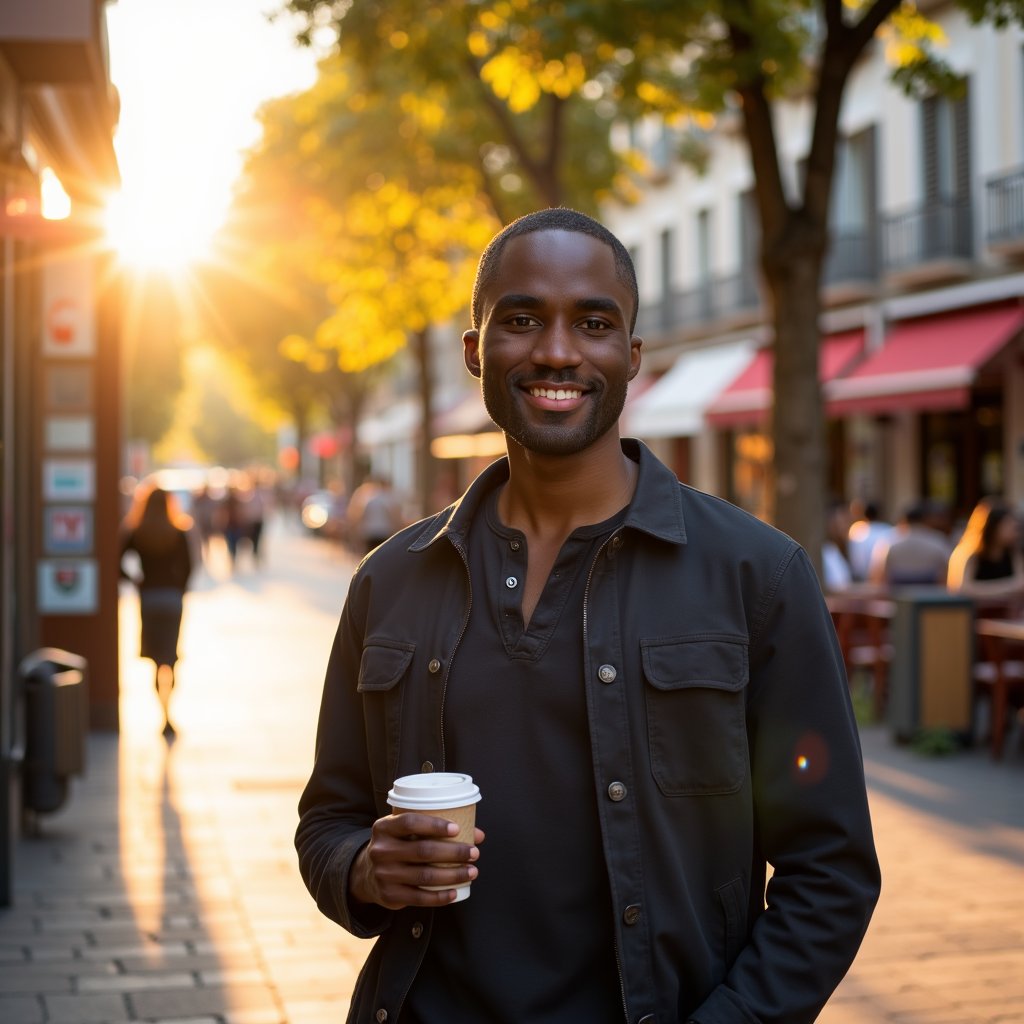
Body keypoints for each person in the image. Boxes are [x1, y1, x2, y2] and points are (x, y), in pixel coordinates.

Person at [295, 209, 880, 1024]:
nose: (558, 350)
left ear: (631, 357)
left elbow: (831, 871)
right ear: (475, 351)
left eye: (594, 323)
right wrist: (364, 869)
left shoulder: (758, 576)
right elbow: (328, 820)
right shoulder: (390, 581)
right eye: (522, 319)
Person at [120, 482, 194, 737]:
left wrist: (136, 580)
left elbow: (117, 563)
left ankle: (162, 715)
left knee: (154, 660)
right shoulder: (178, 531)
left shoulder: (137, 532)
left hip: (149, 598)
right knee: (170, 659)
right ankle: (168, 714)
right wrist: (178, 589)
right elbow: (189, 567)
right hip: (171, 599)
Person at [947, 497, 1024, 605]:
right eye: (1008, 525)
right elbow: (962, 589)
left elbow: (1020, 585)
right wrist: (1009, 588)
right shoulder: (968, 553)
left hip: (1006, 615)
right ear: (992, 526)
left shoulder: (1013, 553)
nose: (1015, 531)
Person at [868, 500, 951, 587]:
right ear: (926, 520)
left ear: (904, 520)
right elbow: (949, 570)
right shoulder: (938, 541)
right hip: (933, 594)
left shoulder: (890, 542)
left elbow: (878, 574)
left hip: (898, 594)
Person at [847, 499, 892, 582]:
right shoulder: (889, 530)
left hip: (863, 579)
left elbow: (856, 564)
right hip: (885, 581)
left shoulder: (858, 532)